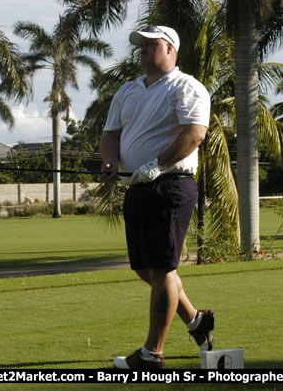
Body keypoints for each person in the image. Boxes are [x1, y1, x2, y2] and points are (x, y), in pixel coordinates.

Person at [100, 25, 214, 369]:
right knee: (144, 267)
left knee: (163, 267)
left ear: (170, 50)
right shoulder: (128, 91)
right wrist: (109, 162)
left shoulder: (186, 87)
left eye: (151, 46)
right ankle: (196, 320)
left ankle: (153, 353)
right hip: (137, 187)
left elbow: (194, 134)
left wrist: (157, 165)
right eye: (141, 46)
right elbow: (110, 134)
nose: (143, 51)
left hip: (172, 185)